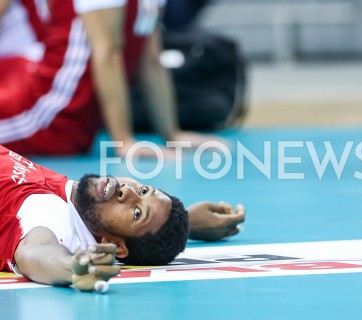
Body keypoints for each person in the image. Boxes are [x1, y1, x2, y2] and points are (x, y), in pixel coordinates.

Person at [0, 144, 246, 291]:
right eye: (144, 190)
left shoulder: (49, 215)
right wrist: (188, 223)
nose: (127, 191)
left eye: (137, 213)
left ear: (116, 245)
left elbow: (35, 253)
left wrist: (73, 268)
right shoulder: (77, 203)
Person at [0, 0, 215, 157]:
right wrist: (124, 142)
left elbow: (150, 59)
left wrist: (172, 134)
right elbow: (107, 52)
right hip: (46, 112)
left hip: (78, 122)